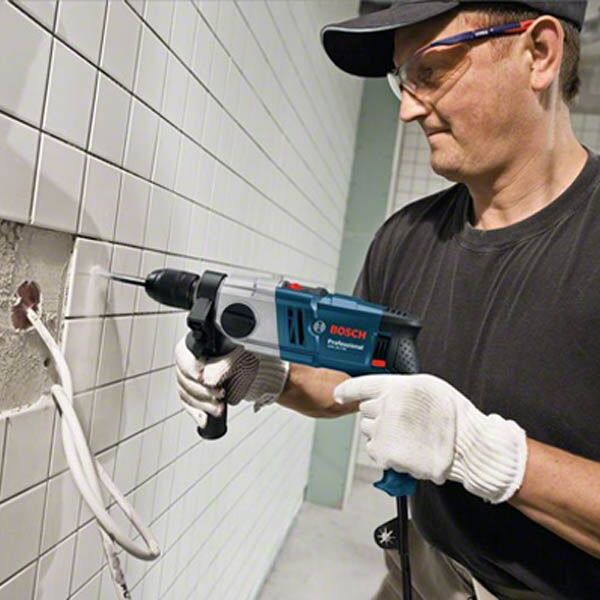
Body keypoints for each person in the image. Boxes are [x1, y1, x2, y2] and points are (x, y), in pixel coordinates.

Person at [175, 1, 600, 598]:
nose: (407, 109)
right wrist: (261, 372)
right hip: (419, 573)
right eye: (404, 80)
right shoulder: (407, 236)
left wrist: (493, 459)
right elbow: (345, 379)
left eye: (432, 71)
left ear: (540, 54)